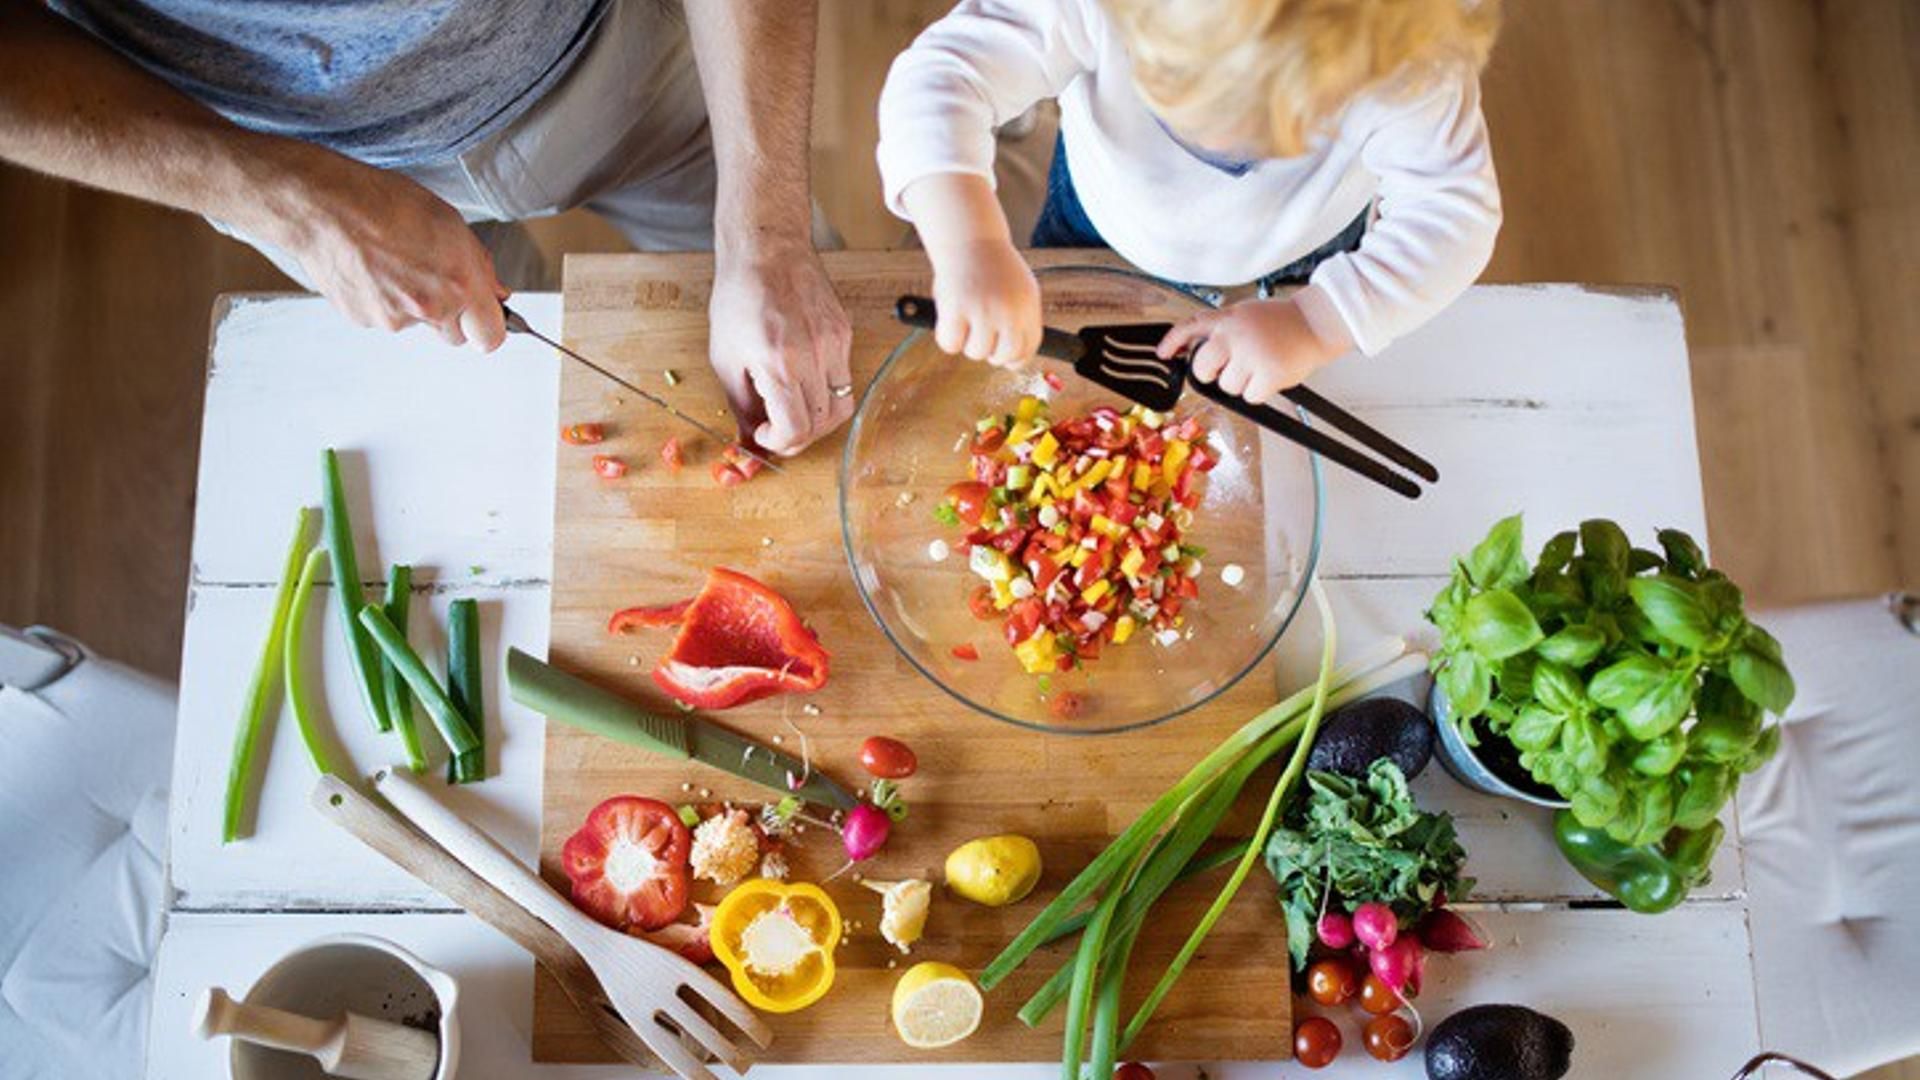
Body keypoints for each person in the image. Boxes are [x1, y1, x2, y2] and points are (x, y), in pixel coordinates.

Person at [0, 0, 853, 456]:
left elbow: (767, 243)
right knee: (500, 448)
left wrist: (766, 236)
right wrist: (290, 201)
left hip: (611, 55)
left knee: (806, 351)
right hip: (289, 161)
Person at [876, 0, 1503, 405]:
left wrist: (1318, 324)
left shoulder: (1408, 57)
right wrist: (972, 245)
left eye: (1293, 124)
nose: (1229, 148)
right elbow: (944, 75)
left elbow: (1452, 214)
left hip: (1303, 253)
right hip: (1100, 223)